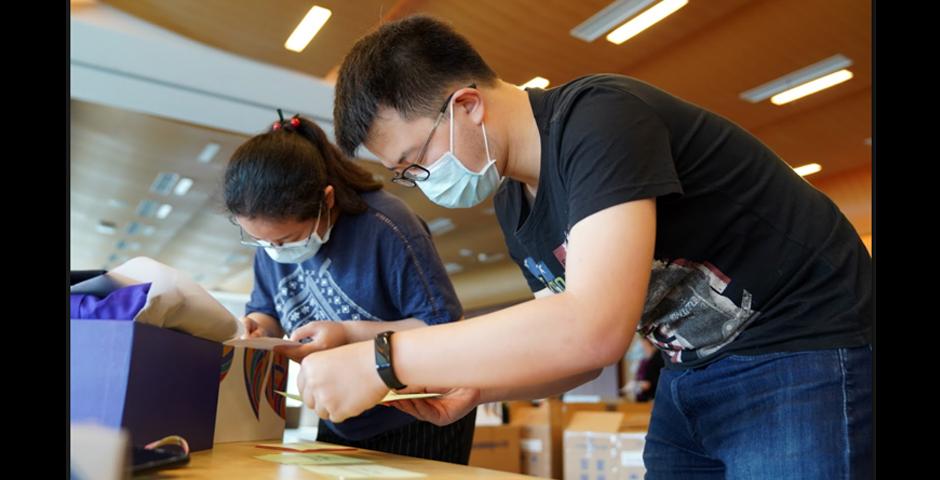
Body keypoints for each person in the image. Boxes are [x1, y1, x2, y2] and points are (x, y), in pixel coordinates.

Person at [298, 15, 871, 479]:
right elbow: (567, 352)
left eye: (414, 161)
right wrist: (477, 388)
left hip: (802, 343)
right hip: (690, 369)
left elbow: (592, 327)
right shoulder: (513, 202)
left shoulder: (598, 119)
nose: (421, 179)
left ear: (467, 106)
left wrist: (383, 359)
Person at [222, 111, 476, 464]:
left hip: (417, 413)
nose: (276, 251)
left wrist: (348, 333)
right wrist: (257, 328)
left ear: (326, 201)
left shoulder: (386, 226)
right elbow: (266, 309)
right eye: (262, 241)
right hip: (340, 410)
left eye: (287, 239)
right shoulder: (271, 245)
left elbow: (442, 328)